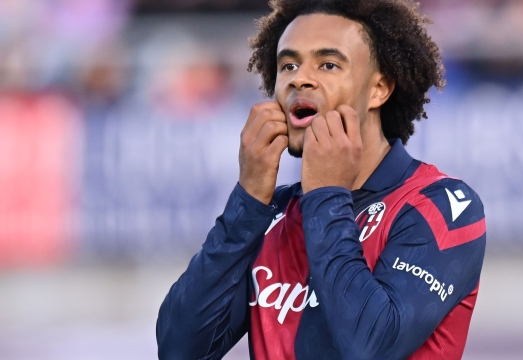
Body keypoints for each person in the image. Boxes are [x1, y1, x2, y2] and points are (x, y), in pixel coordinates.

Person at [156, 0, 486, 359]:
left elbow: (370, 347)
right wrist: (247, 203)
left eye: (328, 64)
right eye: (288, 65)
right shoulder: (269, 216)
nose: (299, 78)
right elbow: (179, 350)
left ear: (379, 89)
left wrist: (327, 194)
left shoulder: (443, 207)